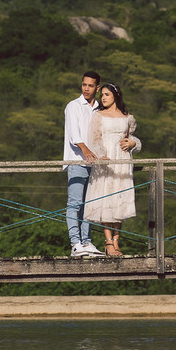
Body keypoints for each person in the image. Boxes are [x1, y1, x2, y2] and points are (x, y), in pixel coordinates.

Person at [83, 82, 141, 256]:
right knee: (105, 198)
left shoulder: (127, 117)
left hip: (122, 160)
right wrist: (101, 155)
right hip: (105, 160)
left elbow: (132, 139)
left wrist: (133, 143)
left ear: (115, 95)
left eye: (107, 94)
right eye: (102, 95)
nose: (103, 98)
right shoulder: (98, 115)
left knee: (119, 198)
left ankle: (116, 241)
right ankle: (108, 241)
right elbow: (94, 139)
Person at [64, 71, 105, 258]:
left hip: (95, 164)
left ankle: (87, 242)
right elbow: (75, 136)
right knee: (75, 203)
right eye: (84, 85)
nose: (86, 89)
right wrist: (86, 151)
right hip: (77, 161)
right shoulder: (74, 106)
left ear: (97, 87)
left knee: (91, 204)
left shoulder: (99, 108)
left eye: (90, 86)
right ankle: (75, 243)